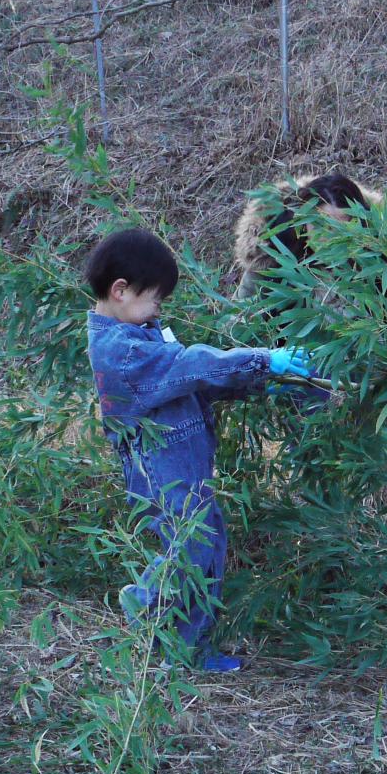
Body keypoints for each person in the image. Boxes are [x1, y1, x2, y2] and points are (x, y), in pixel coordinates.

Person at [85, 227, 318, 673]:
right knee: (189, 547)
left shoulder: (142, 333)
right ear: (121, 291)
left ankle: (184, 638)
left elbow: (194, 386)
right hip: (158, 467)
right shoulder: (121, 351)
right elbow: (189, 366)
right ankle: (158, 620)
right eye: (155, 299)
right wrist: (261, 359)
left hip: (186, 460)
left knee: (202, 545)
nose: (159, 309)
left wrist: (267, 380)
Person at [231, 172, 387, 332]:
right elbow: (239, 316)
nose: (330, 238)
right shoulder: (272, 258)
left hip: (369, 374)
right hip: (293, 376)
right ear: (302, 223)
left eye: (341, 228)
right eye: (320, 226)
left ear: (358, 224)